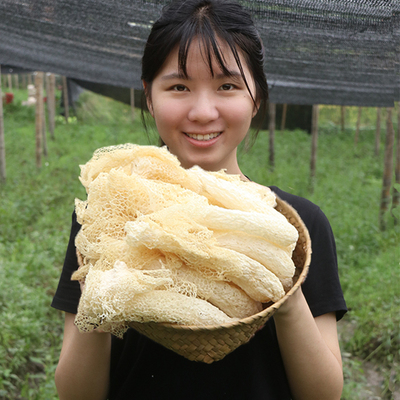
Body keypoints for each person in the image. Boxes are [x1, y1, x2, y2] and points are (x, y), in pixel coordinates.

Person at [52, 0, 347, 399]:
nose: (203, 111)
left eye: (227, 86)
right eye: (179, 87)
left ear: (256, 96)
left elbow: (324, 394)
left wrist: (286, 296)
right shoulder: (106, 217)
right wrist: (103, 298)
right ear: (149, 96)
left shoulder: (298, 228)